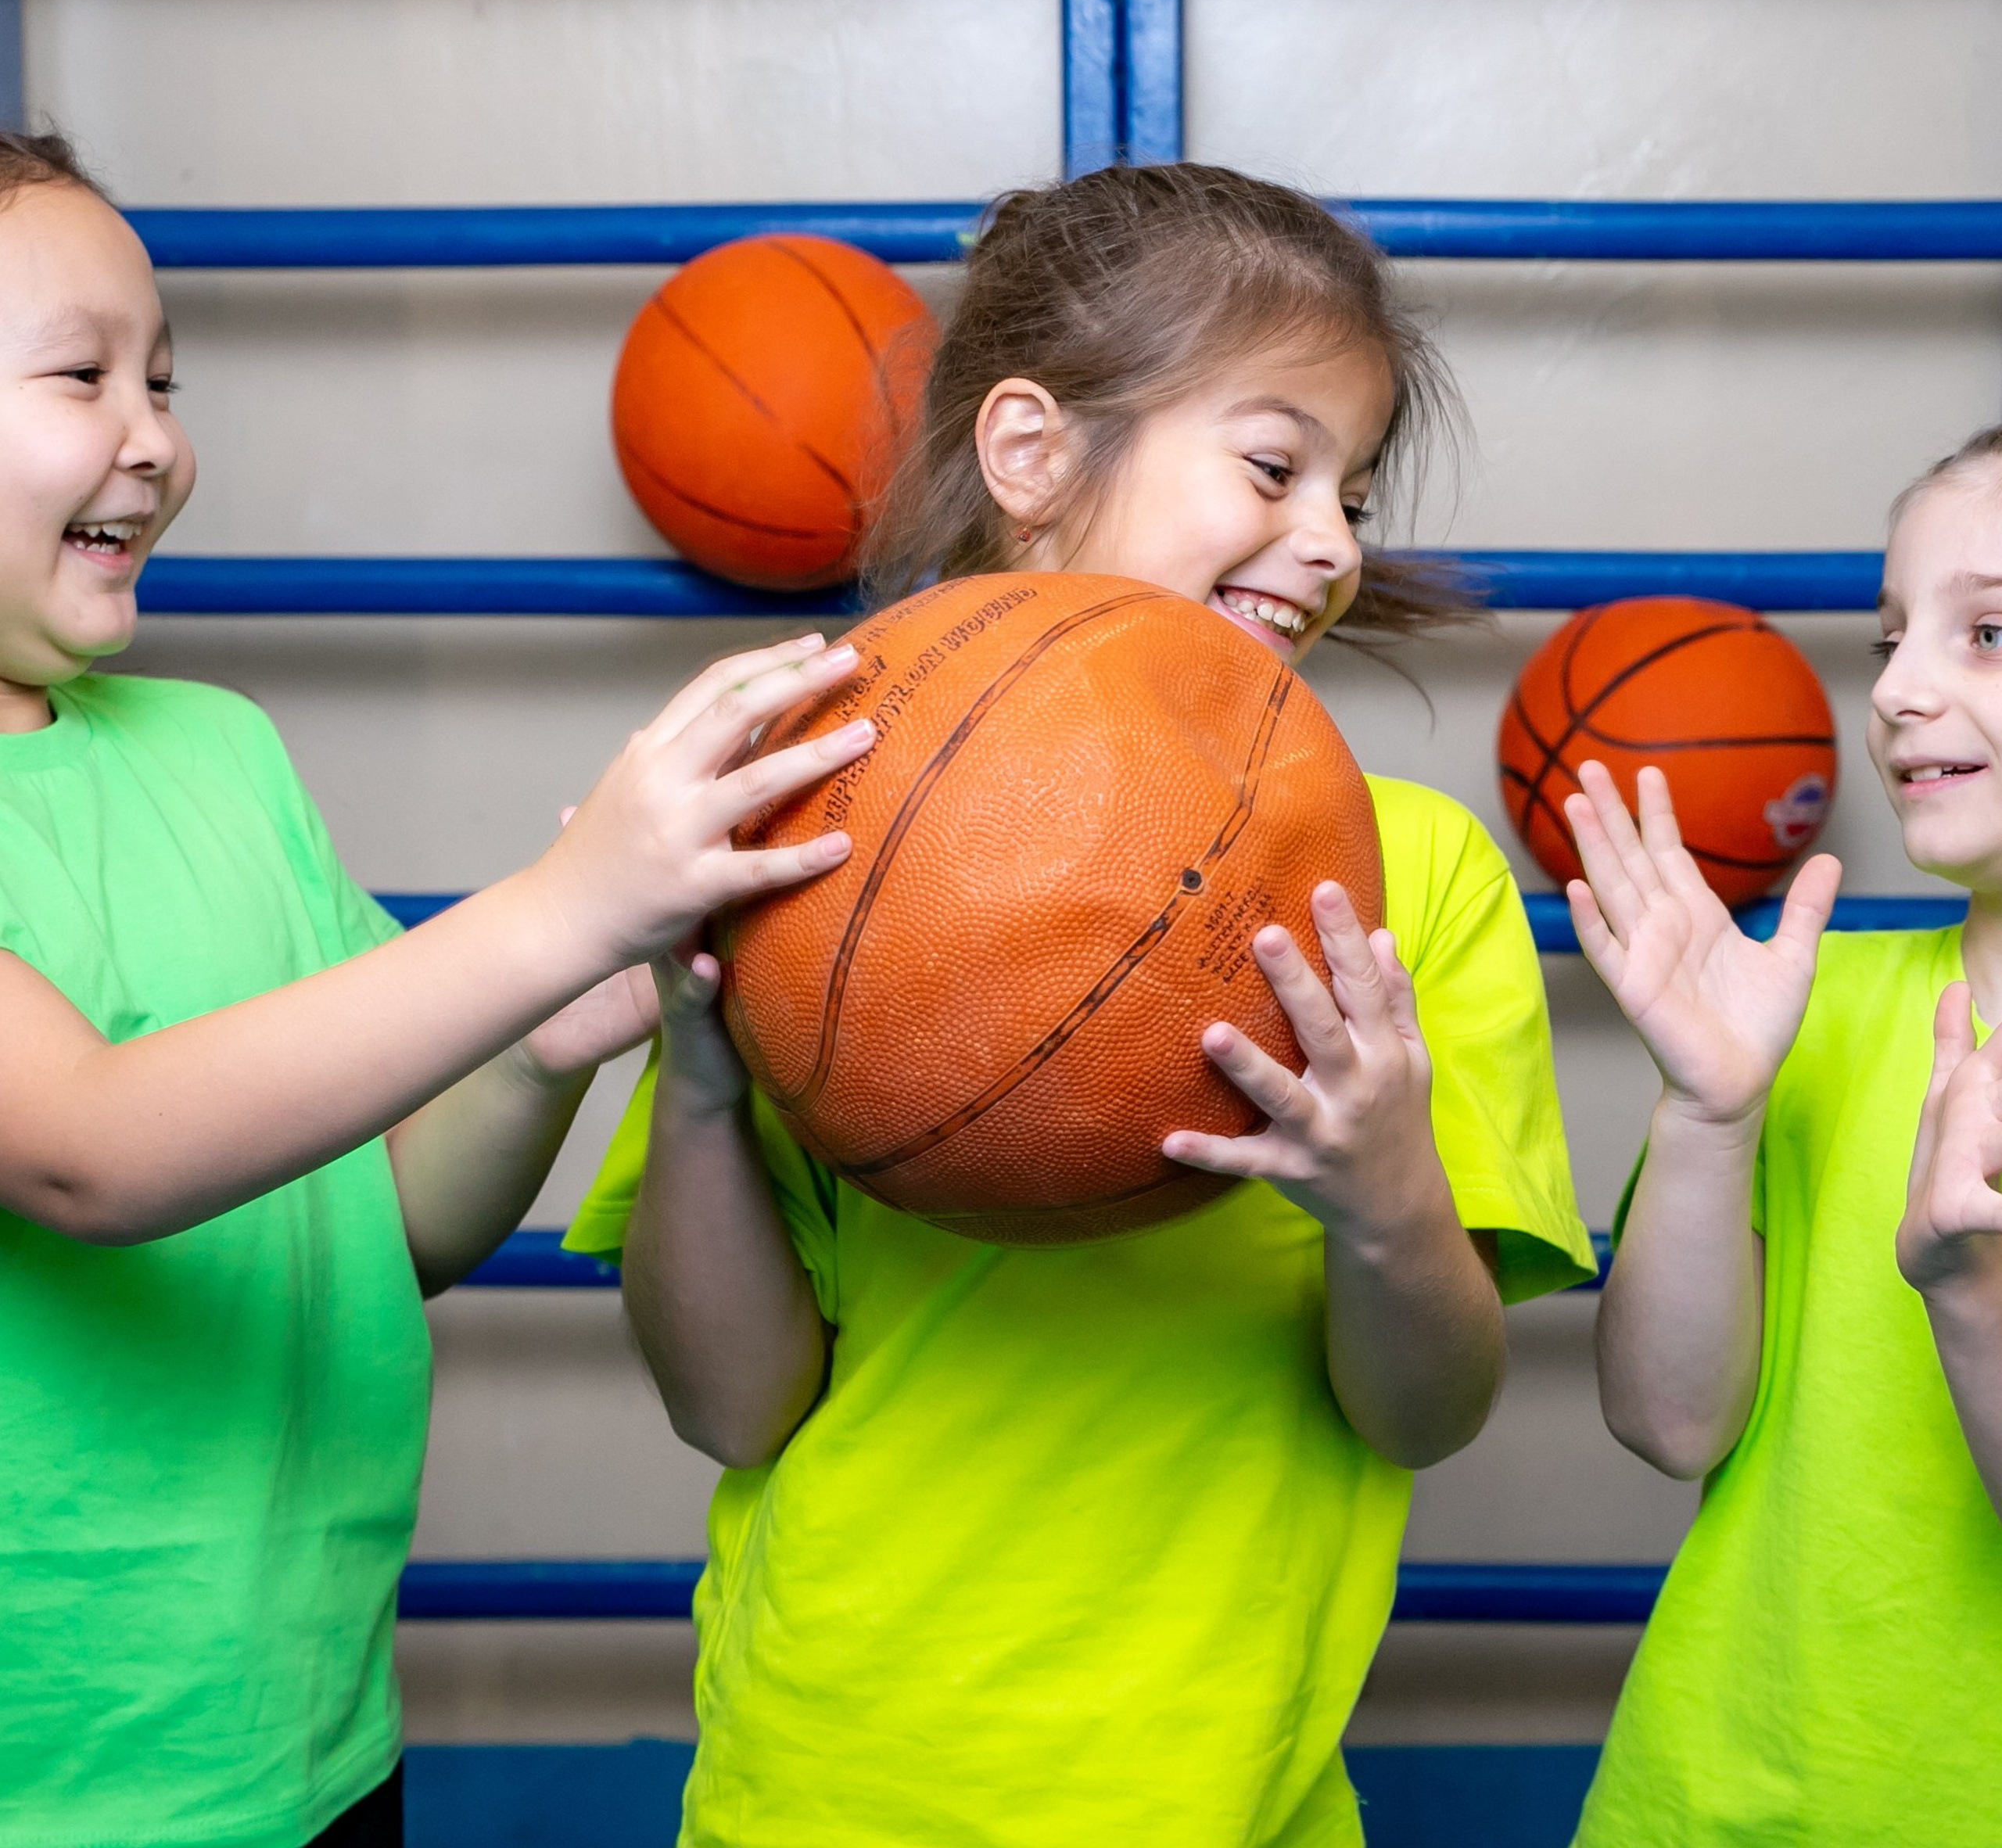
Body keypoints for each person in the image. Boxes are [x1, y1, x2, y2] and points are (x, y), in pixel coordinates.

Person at [566, 161, 1595, 1846]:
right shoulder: (814, 823)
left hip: (1228, 1803)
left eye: (1352, 491)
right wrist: (694, 1071)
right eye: (1273, 466)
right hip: (820, 1783)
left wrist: (1386, 1199)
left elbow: (1424, 1414)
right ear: (1031, 453)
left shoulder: (1408, 877)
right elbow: (730, 1406)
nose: (1332, 539)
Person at [0, 130, 872, 1848]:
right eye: (81, 374)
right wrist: (555, 911)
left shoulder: (220, 750)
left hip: (307, 1736)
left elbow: (381, 1221)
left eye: (164, 378)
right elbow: (94, 1150)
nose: (154, 436)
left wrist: (544, 1039)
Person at [1566, 425, 2002, 1845]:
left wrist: (1973, 1305)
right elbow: (1669, 1421)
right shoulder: (1809, 1009)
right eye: (1890, 636)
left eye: (1988, 633)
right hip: (1717, 1799)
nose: (1898, 689)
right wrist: (1711, 1115)